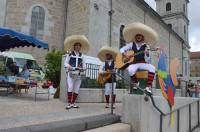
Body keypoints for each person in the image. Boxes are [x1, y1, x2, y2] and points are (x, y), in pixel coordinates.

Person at [120, 22, 158, 94]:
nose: (138, 37)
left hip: (142, 63)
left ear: (142, 37)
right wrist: (125, 54)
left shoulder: (146, 46)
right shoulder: (131, 44)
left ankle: (148, 87)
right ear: (135, 37)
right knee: (130, 69)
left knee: (152, 68)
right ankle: (136, 82)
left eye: (140, 36)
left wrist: (147, 54)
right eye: (137, 36)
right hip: (134, 63)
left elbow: (148, 59)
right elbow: (121, 49)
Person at [64, 35, 90, 109]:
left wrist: (83, 68)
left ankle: (73, 103)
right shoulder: (70, 54)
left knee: (76, 88)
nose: (78, 47)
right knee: (70, 87)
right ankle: (69, 103)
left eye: (79, 46)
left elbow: (85, 65)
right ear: (74, 46)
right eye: (76, 45)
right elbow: (65, 63)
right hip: (71, 73)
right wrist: (69, 66)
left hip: (79, 73)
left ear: (80, 47)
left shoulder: (82, 55)